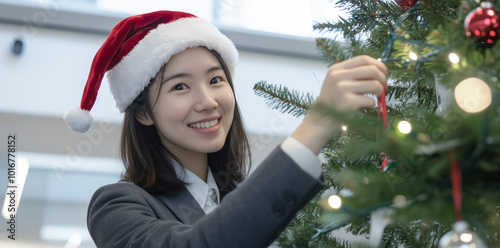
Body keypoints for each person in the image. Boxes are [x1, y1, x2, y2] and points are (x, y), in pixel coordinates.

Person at [63, 10, 387, 248]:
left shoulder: (236, 197)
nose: (207, 101)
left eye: (215, 80)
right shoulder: (116, 206)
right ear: (144, 113)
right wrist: (316, 125)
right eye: (179, 87)